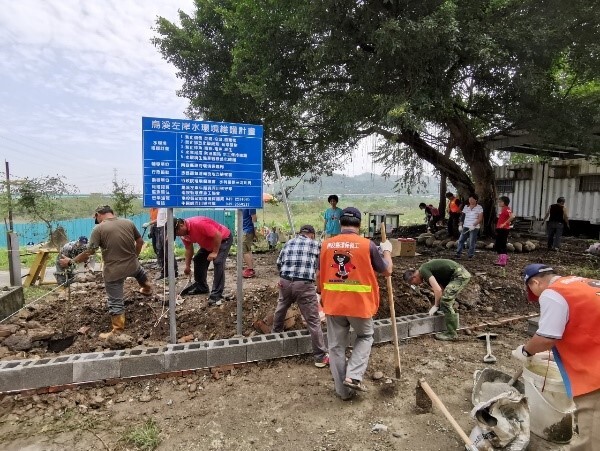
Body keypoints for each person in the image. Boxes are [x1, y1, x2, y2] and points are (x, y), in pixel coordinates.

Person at [512, 264, 600, 450]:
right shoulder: (582, 283)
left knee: (591, 440)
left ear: (535, 282)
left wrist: (526, 351)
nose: (538, 299)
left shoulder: (552, 293)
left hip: (595, 372)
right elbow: (587, 322)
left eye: (534, 294)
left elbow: (545, 338)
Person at [319, 207, 393, 400]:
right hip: (359, 304)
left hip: (334, 303)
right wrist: (386, 252)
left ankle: (343, 392)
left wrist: (321, 295)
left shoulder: (326, 245)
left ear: (340, 222)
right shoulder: (367, 245)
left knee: (335, 347)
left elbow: (320, 275)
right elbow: (387, 271)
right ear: (359, 225)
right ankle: (353, 376)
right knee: (366, 336)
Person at [62, 205, 152, 339]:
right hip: (133, 265)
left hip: (113, 271)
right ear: (112, 213)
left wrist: (70, 262)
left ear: (98, 215)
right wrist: (135, 256)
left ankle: (117, 330)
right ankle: (147, 288)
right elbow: (140, 241)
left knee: (115, 301)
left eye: (95, 218)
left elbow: (89, 252)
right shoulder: (129, 223)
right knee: (139, 272)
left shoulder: (98, 229)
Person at [272, 224, 328, 367]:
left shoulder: (289, 242)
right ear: (312, 235)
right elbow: (320, 269)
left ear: (300, 233)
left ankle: (273, 338)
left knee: (281, 307)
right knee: (313, 320)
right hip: (304, 285)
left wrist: (285, 277)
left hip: (285, 281)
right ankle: (320, 357)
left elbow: (279, 263)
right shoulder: (316, 245)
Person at [403, 259, 471, 341]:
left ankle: (451, 333)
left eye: (413, 283)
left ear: (413, 278)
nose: (416, 285)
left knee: (445, 301)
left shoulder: (423, 270)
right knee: (445, 299)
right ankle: (453, 324)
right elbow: (441, 289)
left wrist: (436, 306)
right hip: (455, 276)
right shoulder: (425, 275)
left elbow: (438, 290)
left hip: (459, 275)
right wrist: (439, 306)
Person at [175, 216, 233, 306]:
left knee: (218, 262)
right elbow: (189, 249)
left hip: (223, 239)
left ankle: (216, 295)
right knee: (198, 259)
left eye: (177, 232)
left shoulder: (198, 224)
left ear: (182, 225)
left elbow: (218, 235)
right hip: (208, 243)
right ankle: (201, 287)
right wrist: (187, 266)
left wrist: (214, 252)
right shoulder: (183, 234)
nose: (178, 235)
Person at [456, 194, 484, 259]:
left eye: (472, 199)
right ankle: (458, 254)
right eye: (469, 199)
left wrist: (474, 225)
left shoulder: (479, 207)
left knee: (472, 241)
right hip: (466, 226)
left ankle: (470, 255)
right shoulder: (466, 207)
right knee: (461, 240)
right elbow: (463, 217)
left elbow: (480, 218)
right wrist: (460, 225)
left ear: (476, 200)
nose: (470, 201)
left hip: (474, 227)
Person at [155, 208, 178, 280]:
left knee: (168, 252)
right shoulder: (159, 209)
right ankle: (164, 272)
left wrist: (169, 232)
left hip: (165, 229)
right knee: (161, 252)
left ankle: (174, 272)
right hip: (159, 229)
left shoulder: (165, 207)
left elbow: (172, 218)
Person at [494, 196, 515, 267]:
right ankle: (503, 258)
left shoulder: (506, 209)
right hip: (500, 228)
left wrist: (504, 223)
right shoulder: (503, 209)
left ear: (504, 202)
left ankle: (503, 260)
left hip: (504, 229)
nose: (499, 203)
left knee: (501, 244)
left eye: (500, 201)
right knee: (498, 244)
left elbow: (512, 216)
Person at [242, 208, 257, 278]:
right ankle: (250, 268)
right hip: (245, 230)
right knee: (248, 249)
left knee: (244, 250)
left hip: (248, 230)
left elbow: (254, 217)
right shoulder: (243, 203)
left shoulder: (251, 204)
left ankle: (250, 269)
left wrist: (255, 231)